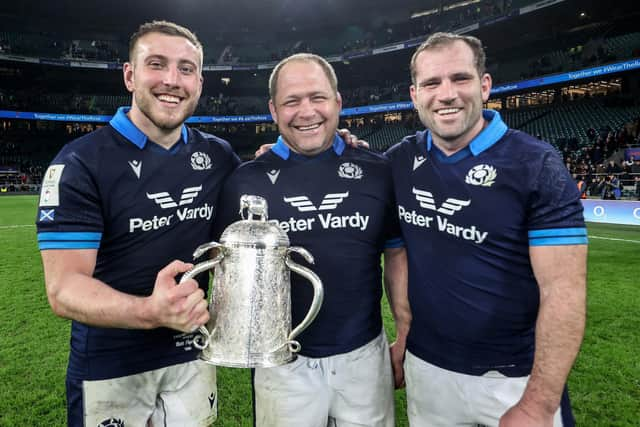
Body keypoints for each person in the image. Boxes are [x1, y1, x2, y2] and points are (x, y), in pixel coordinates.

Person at [35, 21, 240, 426]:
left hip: (191, 357)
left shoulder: (218, 157)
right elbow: (63, 291)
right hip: (109, 367)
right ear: (130, 76)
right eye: (156, 64)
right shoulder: (79, 162)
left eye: (185, 69)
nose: (171, 80)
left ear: (199, 81)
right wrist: (150, 311)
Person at [385, 32, 588, 427]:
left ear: (484, 85)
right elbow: (397, 253)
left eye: (459, 78)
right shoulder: (398, 162)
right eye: (431, 83)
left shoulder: (535, 164)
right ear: (414, 94)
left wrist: (539, 403)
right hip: (427, 369)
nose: (446, 94)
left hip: (514, 377)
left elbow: (563, 291)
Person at [214, 53, 409, 427]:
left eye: (317, 98)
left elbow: (396, 252)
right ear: (273, 110)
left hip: (364, 356)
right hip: (282, 363)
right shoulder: (244, 182)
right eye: (291, 101)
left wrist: (405, 329)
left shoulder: (377, 171)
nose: (307, 112)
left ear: (338, 102)